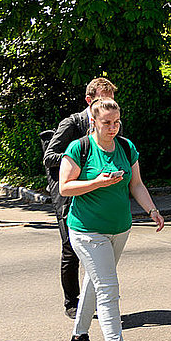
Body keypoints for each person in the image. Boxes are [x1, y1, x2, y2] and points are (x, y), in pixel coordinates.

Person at [61, 98, 165, 341]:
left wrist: (152, 210)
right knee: (108, 288)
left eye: (116, 121)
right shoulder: (79, 148)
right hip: (87, 230)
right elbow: (65, 187)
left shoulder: (126, 147)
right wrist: (97, 182)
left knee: (96, 284)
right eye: (106, 122)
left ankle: (78, 337)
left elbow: (137, 183)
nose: (113, 127)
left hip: (120, 228)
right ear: (93, 122)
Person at [44, 77, 119, 317]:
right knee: (70, 247)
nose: (108, 104)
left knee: (96, 246)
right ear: (89, 101)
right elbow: (49, 157)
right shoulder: (72, 123)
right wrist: (77, 158)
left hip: (96, 191)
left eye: (111, 99)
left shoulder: (109, 123)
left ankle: (94, 298)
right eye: (102, 99)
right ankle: (71, 302)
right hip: (68, 190)